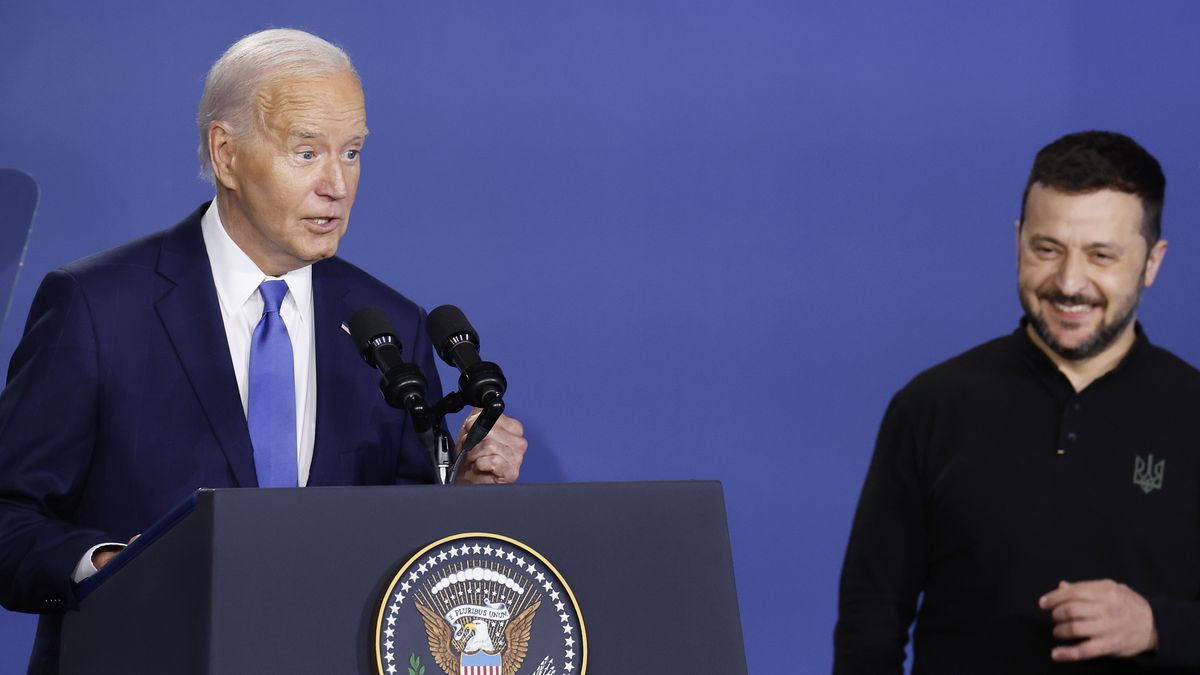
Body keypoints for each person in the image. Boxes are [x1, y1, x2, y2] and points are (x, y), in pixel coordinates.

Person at [0, 29, 527, 675]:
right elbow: (9, 515)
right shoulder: (96, 306)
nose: (337, 184)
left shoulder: (389, 325)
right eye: (307, 153)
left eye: (353, 152)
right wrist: (110, 566)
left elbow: (401, 537)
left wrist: (461, 495)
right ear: (226, 154)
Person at [834, 130, 1200, 673]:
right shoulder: (931, 405)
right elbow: (869, 624)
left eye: (1102, 255)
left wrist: (1157, 625)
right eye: (1047, 249)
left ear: (1152, 262)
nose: (1070, 282)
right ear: (1017, 241)